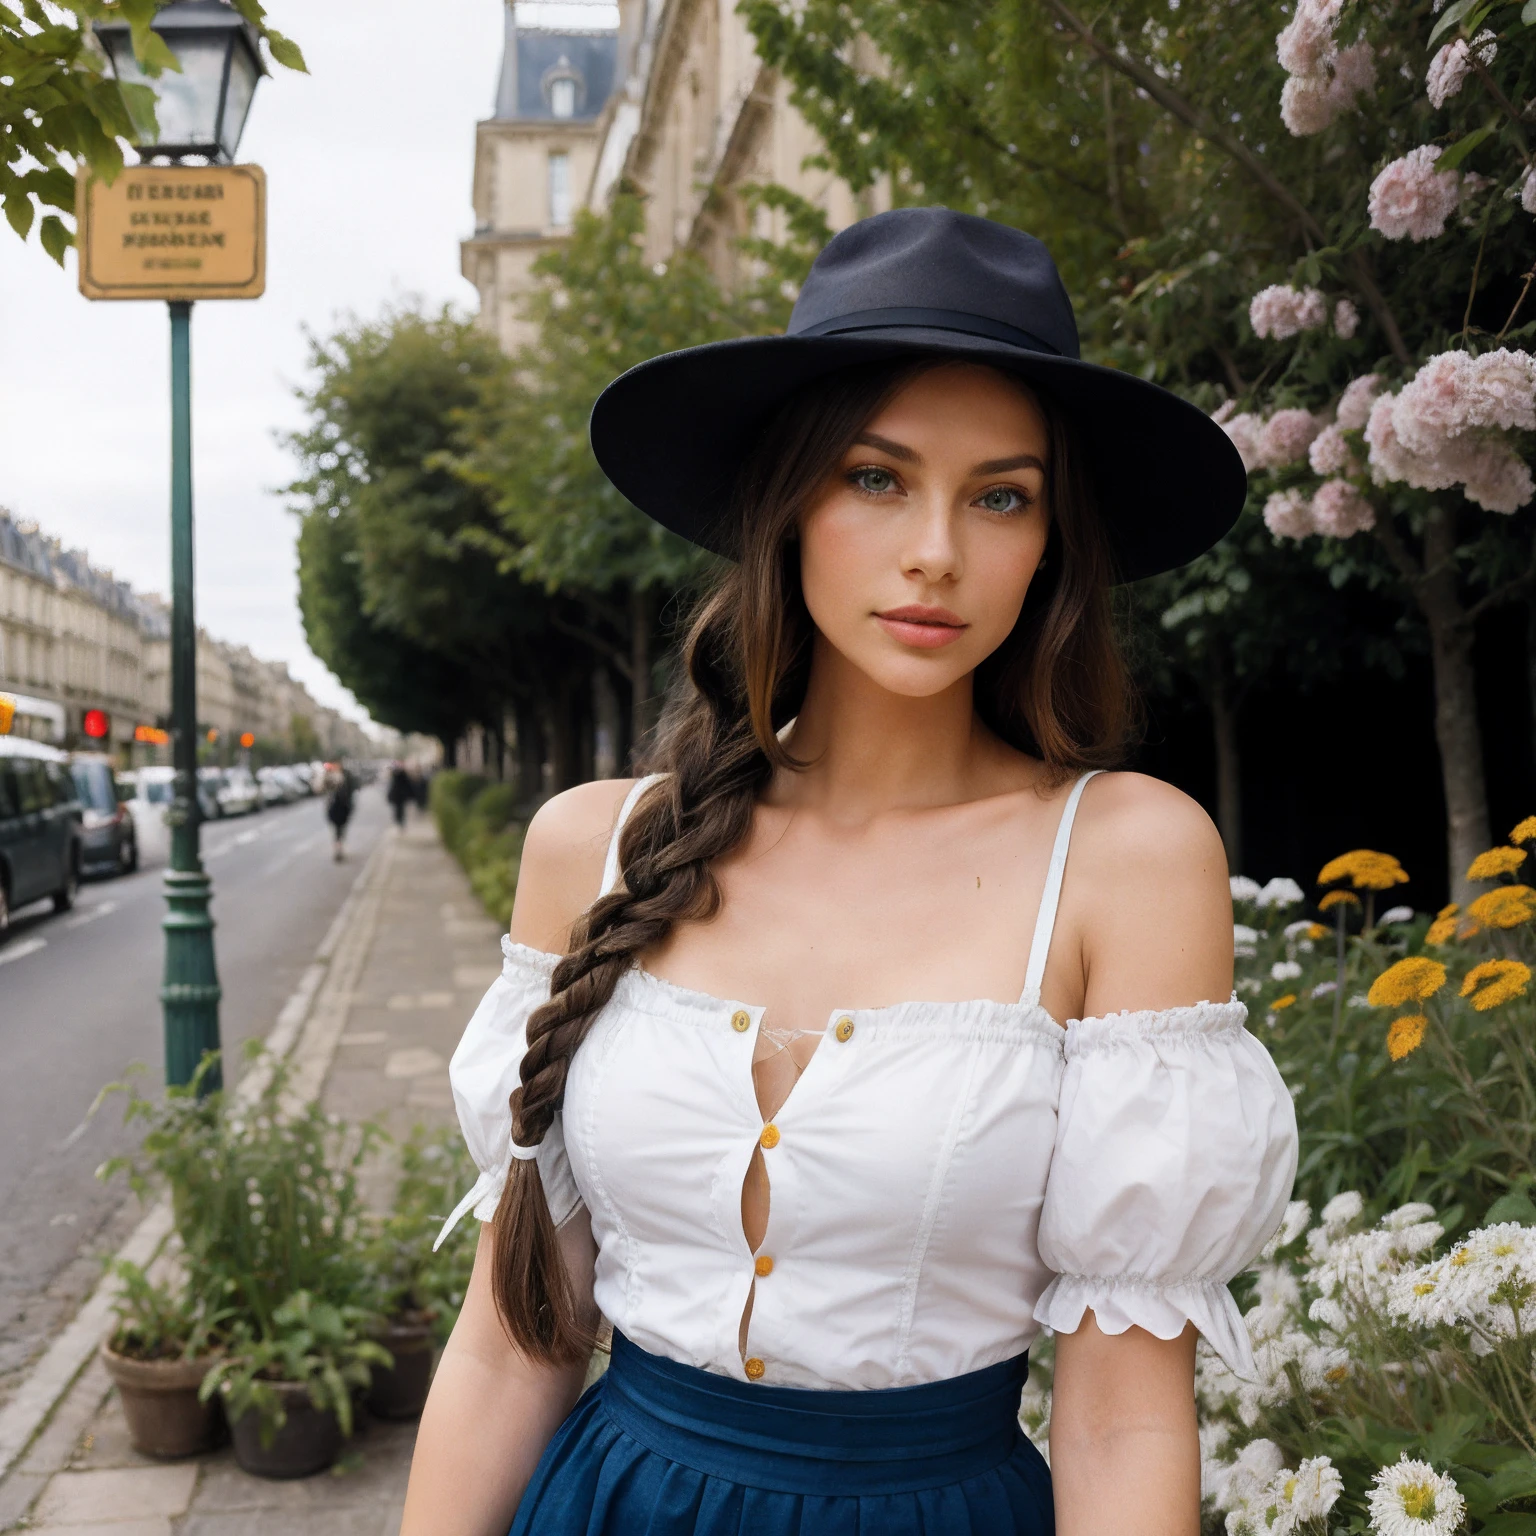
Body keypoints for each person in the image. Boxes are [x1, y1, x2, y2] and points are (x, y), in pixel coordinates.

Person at [401, 209, 1298, 1536]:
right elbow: (512, 1339)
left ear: (1050, 541)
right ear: (791, 505)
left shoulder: (1126, 862)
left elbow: (1119, 1414)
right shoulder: (591, 848)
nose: (936, 547)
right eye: (878, 478)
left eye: (1001, 495)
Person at [325, 764, 354, 862]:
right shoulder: (330, 779)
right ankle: (339, 848)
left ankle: (338, 848)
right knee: (339, 831)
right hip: (337, 810)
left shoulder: (343, 779)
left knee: (339, 831)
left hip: (340, 809)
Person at [387, 761, 414, 831]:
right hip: (398, 795)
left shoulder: (401, 774)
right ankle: (399, 820)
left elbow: (406, 783)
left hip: (400, 795)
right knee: (399, 809)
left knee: (400, 809)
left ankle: (400, 821)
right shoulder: (397, 774)